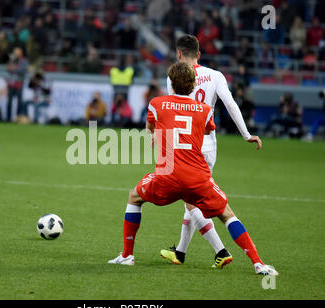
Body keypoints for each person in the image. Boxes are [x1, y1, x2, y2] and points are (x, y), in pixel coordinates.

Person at [108, 62, 278, 276]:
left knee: (134, 197)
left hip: (167, 176)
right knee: (227, 214)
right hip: (197, 177)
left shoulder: (156, 103)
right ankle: (258, 264)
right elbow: (208, 130)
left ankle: (127, 256)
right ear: (193, 85)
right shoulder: (205, 111)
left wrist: (154, 135)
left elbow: (150, 129)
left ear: (171, 83)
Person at [161, 35, 262, 268]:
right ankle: (180, 252)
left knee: (191, 200)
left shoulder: (173, 76)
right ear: (199, 54)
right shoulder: (216, 76)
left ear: (178, 54)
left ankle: (221, 250)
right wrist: (246, 134)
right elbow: (230, 104)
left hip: (186, 145)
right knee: (192, 198)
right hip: (209, 144)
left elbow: (173, 111)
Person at [6, 47, 28, 122]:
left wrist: (14, 69)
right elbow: (8, 68)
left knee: (19, 102)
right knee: (9, 102)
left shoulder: (24, 61)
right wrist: (12, 68)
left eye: (16, 53)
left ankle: (18, 118)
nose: (15, 54)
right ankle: (8, 118)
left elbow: (22, 70)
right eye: (14, 53)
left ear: (20, 53)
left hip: (19, 84)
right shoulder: (11, 60)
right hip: (11, 84)